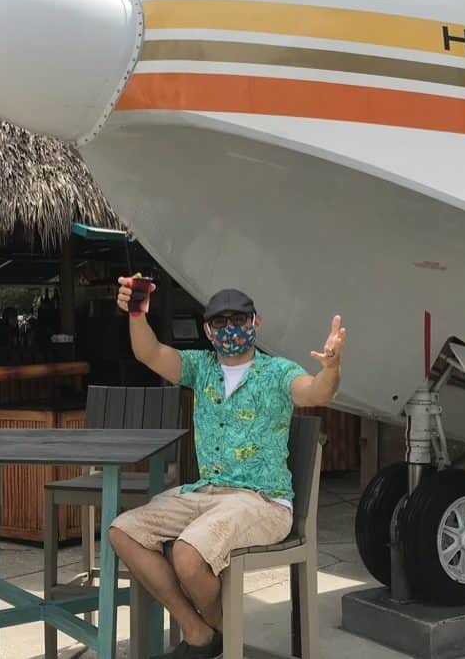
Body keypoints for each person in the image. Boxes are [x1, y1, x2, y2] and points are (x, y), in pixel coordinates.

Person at [107, 282, 346, 659]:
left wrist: (331, 368)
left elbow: (316, 392)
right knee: (124, 532)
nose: (230, 328)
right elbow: (149, 352)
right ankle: (202, 631)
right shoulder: (200, 368)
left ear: (257, 322)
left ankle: (219, 635)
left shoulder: (277, 373)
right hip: (207, 492)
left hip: (263, 501)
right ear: (207, 330)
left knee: (187, 555)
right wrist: (137, 314)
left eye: (239, 319)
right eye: (221, 321)